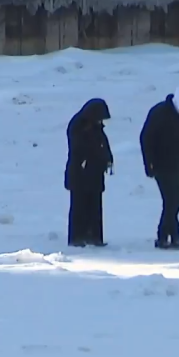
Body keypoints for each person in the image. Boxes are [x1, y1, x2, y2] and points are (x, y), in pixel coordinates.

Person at [140, 85, 179, 249]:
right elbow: (146, 138)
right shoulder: (159, 113)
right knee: (171, 201)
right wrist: (149, 164)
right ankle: (166, 236)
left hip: (178, 165)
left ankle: (172, 236)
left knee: (176, 200)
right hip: (161, 165)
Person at [65, 98, 114, 247]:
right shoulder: (78, 126)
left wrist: (107, 158)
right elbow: (80, 149)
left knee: (95, 205)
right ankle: (77, 237)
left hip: (94, 173)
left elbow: (103, 144)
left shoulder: (95, 126)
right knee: (79, 205)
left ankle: (94, 236)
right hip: (80, 172)